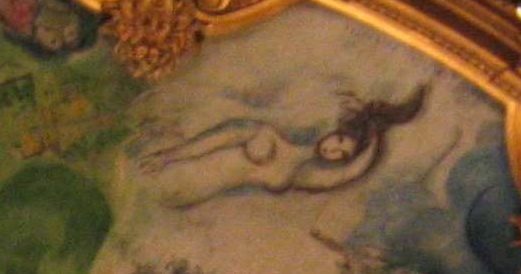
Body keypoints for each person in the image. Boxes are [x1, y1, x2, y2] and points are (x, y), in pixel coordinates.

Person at [139, 87, 430, 207]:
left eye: (340, 155)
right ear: (333, 132)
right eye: (339, 142)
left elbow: (349, 174)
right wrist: (167, 157)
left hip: (191, 195)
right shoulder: (269, 134)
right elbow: (216, 140)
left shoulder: (301, 175)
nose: (333, 151)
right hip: (173, 168)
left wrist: (377, 134)